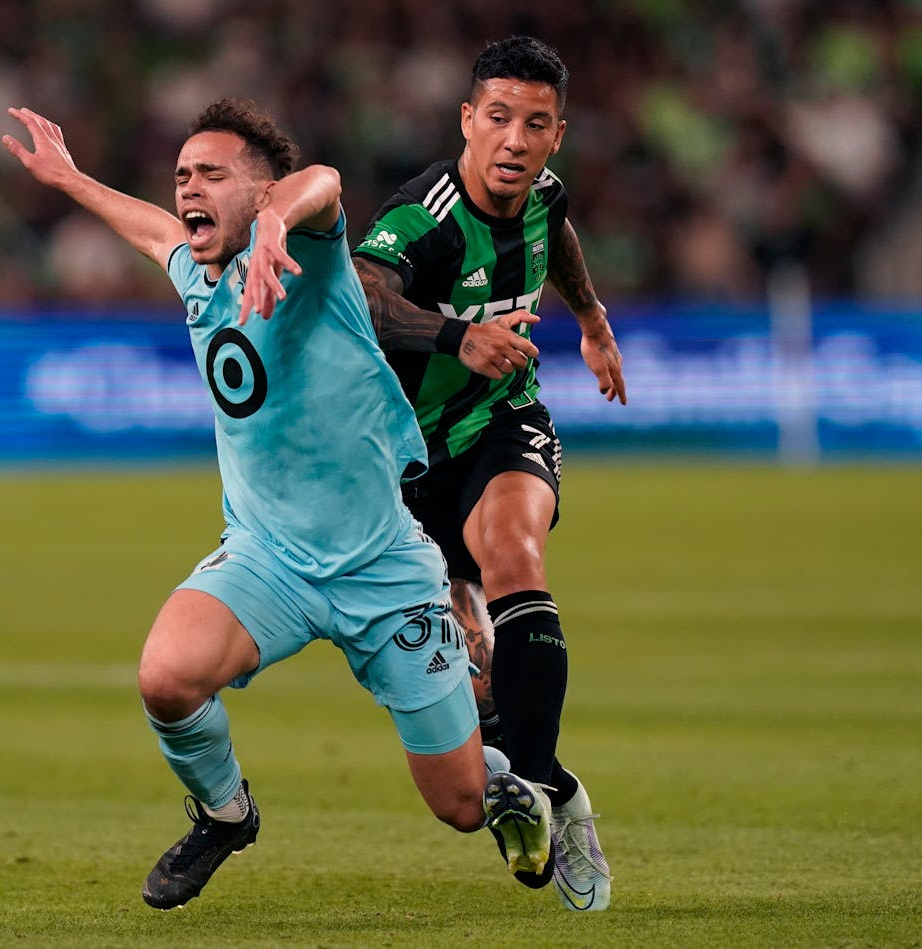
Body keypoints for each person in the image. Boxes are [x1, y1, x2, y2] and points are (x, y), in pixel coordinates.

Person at [3, 97, 552, 911]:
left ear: (261, 193)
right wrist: (72, 178)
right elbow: (153, 229)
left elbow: (323, 182)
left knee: (459, 805)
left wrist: (274, 228)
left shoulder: (315, 254)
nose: (189, 186)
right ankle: (226, 812)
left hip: (382, 566)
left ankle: (503, 778)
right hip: (268, 557)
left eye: (211, 173)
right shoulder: (197, 269)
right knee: (165, 678)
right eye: (183, 173)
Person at [352, 36, 626, 912]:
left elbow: (561, 232)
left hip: (500, 424)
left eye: (535, 124)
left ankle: (539, 796)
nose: (514, 139)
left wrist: (589, 316)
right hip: (403, 459)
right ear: (468, 120)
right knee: (475, 690)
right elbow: (356, 289)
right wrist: (452, 333)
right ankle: (558, 784)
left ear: (557, 135)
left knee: (516, 554)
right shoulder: (427, 215)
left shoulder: (544, 194)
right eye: (498, 118)